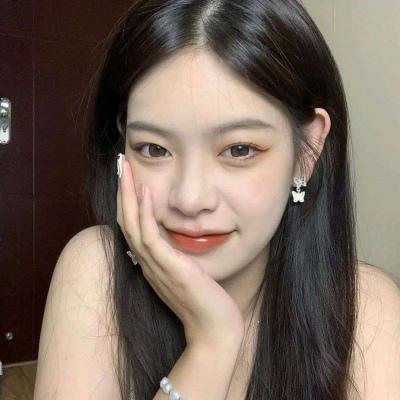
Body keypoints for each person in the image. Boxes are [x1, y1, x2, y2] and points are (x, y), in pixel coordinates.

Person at [34, 1, 400, 399]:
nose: (190, 199)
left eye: (239, 150)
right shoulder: (96, 272)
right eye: (154, 149)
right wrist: (211, 346)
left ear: (307, 151)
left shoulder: (367, 309)